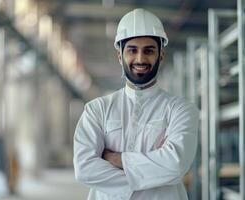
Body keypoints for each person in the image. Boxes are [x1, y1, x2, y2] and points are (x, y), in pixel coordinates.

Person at [73, 8, 199, 200]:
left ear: (161, 56)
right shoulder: (96, 109)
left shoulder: (180, 109)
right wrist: (155, 171)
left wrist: (115, 158)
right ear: (120, 56)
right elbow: (84, 169)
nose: (140, 59)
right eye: (132, 50)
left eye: (149, 50)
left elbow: (175, 165)